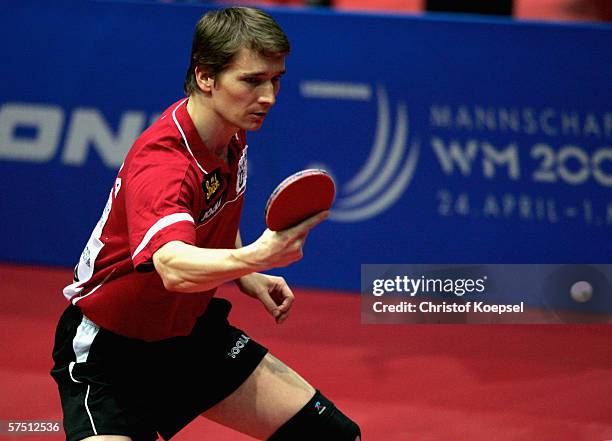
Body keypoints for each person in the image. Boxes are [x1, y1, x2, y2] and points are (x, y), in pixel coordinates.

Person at [50, 6, 361, 441]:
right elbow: (174, 267)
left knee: (333, 437)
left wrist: (247, 274)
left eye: (275, 79)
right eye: (252, 80)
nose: (269, 95)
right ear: (206, 77)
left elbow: (208, 210)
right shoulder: (164, 164)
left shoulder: (229, 130)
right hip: (111, 355)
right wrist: (257, 253)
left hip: (191, 338)